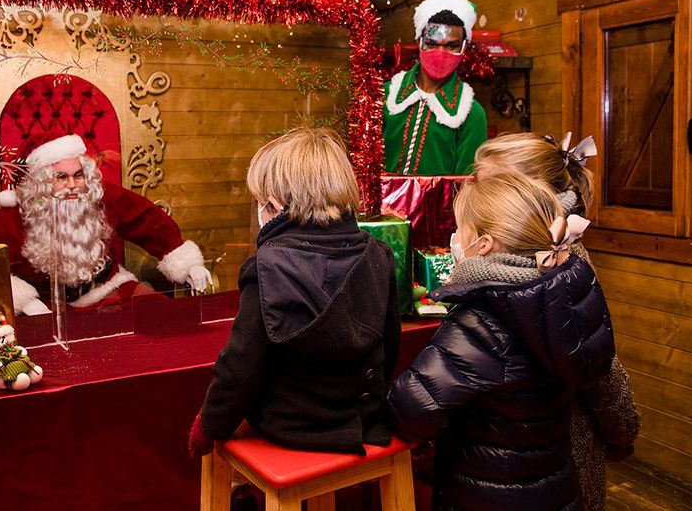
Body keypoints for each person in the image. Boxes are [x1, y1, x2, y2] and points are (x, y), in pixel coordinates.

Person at [386, 173, 616, 511]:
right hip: (555, 490)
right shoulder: (564, 299)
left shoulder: (481, 321)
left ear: (484, 245)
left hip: (486, 496)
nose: (453, 237)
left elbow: (412, 407)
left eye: (460, 228)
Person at [188, 127, 402, 457]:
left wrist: (209, 425)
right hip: (363, 423)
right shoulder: (379, 254)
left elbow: (241, 368)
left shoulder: (266, 266)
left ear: (273, 206)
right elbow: (390, 343)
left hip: (289, 428)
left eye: (259, 203)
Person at [474, 131, 640, 511]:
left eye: (494, 188)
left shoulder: (562, 258)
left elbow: (600, 368)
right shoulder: (498, 247)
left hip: (566, 452)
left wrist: (621, 432)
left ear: (532, 194)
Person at [0, 135, 212, 315]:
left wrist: (188, 265)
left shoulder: (101, 197)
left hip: (109, 291)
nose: (72, 185)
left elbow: (149, 221)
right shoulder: (15, 215)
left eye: (78, 175)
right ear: (41, 182)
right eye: (61, 177)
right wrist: (23, 301)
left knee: (163, 316)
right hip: (49, 308)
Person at [383, 0, 487, 175]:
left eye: (451, 46)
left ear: (464, 46)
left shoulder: (471, 114)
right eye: (431, 44)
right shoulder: (385, 95)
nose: (440, 53)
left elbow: (468, 184)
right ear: (419, 42)